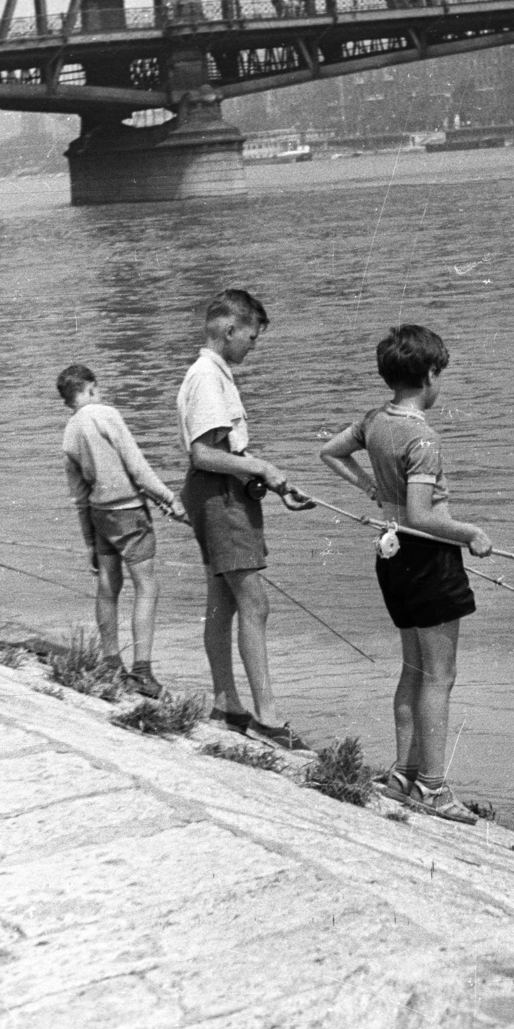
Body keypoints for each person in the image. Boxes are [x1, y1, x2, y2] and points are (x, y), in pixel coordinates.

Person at [319, 324, 492, 823]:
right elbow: (422, 515)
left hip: (391, 558)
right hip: (428, 558)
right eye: (442, 375)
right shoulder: (423, 437)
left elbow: (329, 453)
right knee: (440, 676)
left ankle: (403, 774)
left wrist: (372, 488)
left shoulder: (375, 420)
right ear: (430, 375)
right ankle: (433, 788)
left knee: (413, 669)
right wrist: (470, 533)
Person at [178, 289, 316, 751]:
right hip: (219, 497)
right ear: (229, 329)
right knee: (255, 603)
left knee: (224, 601)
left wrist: (275, 484)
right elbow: (203, 453)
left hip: (222, 493)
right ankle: (267, 718)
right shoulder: (206, 377)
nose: (252, 347)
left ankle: (226, 706)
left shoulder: (214, 374)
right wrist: (262, 469)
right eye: (251, 338)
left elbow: (223, 449)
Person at [58, 363, 183, 699]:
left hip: (100, 515)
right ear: (91, 388)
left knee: (107, 584)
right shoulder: (106, 414)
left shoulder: (70, 432)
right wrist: (169, 498)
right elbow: (137, 467)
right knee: (147, 586)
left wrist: (88, 543)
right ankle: (142, 671)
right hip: (129, 511)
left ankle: (111, 663)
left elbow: (79, 498)